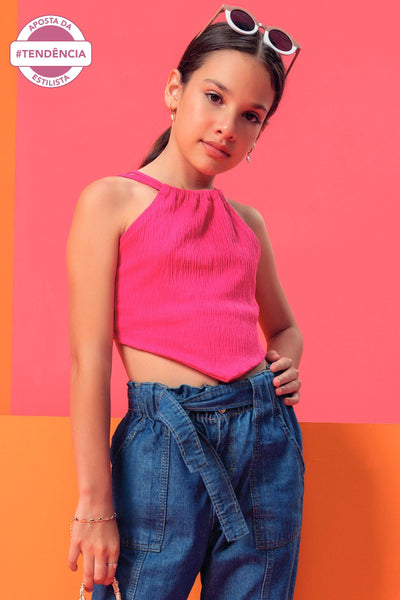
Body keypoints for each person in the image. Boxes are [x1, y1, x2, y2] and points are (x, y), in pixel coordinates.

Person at [66, 6, 304, 600]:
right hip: (163, 443)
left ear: (260, 133)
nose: (227, 126)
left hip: (265, 440)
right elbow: (88, 362)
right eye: (214, 97)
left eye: (251, 116)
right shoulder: (111, 202)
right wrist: (95, 503)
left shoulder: (247, 223)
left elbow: (285, 328)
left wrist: (286, 362)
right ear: (175, 90)